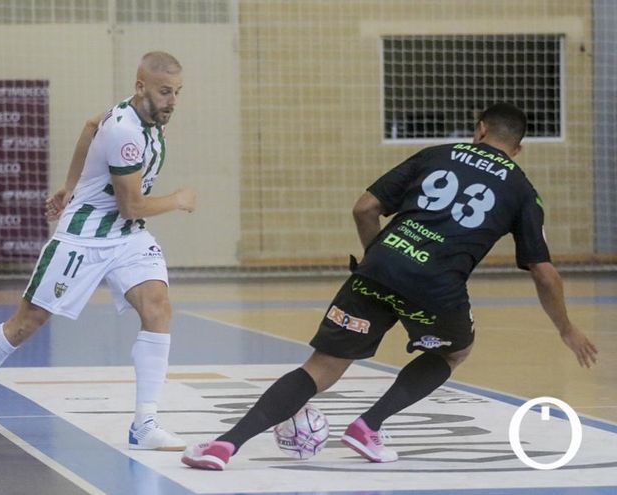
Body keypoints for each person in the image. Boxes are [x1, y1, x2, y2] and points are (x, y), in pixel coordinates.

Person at [182, 103, 599, 470]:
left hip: (380, 265)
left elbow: (364, 207)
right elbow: (543, 271)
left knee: (322, 366)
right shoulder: (523, 191)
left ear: (480, 129)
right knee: (455, 351)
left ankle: (223, 446)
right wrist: (566, 328)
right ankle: (368, 426)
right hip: (436, 287)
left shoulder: (437, 154)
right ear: (518, 148)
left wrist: (378, 259)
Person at [0, 51, 196, 450]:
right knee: (25, 324)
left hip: (127, 237)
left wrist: (69, 185)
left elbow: (90, 126)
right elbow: (132, 205)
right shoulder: (127, 132)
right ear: (140, 88)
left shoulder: (144, 118)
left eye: (177, 92)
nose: (172, 101)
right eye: (164, 92)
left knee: (158, 308)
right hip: (84, 236)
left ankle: (145, 422)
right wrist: (178, 199)